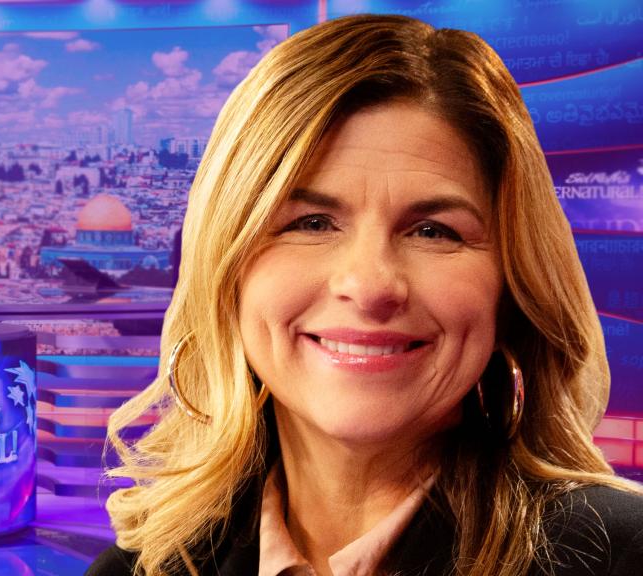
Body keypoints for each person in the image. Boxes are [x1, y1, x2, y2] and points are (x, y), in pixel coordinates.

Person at [86, 14, 643, 576]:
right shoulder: (138, 569)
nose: (370, 286)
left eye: (434, 231)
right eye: (311, 223)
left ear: (512, 286)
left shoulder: (623, 554)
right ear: (224, 271)